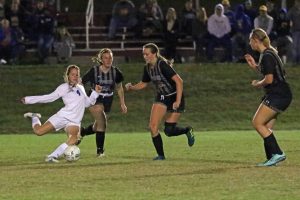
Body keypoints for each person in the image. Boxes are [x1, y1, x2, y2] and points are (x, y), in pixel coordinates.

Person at [125, 43, 195, 160]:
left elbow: (179, 82)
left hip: (174, 96)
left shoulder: (162, 65)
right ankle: (161, 155)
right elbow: (143, 83)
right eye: (144, 54)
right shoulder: (147, 68)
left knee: (169, 131)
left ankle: (187, 130)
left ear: (154, 54)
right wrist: (132, 87)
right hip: (162, 97)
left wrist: (177, 101)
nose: (145, 56)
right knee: (153, 127)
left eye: (147, 54)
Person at [21, 65, 102, 163]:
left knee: (74, 139)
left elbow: (86, 103)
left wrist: (95, 93)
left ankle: (52, 156)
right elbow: (48, 98)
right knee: (38, 132)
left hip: (74, 121)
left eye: (77, 75)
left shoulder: (80, 87)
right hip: (63, 116)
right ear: (68, 76)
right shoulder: (63, 87)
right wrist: (29, 100)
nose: (75, 77)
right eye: (73, 74)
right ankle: (35, 117)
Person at [244, 28, 292, 166]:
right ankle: (272, 157)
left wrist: (257, 84)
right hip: (282, 94)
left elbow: (269, 79)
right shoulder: (270, 53)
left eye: (250, 41)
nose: (250, 43)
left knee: (257, 123)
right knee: (266, 127)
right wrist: (255, 67)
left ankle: (278, 154)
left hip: (278, 94)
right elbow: (270, 71)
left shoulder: (267, 55)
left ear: (255, 40)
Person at [78, 48, 127, 157]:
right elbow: (80, 83)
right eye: (106, 58)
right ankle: (100, 151)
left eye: (110, 57)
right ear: (101, 59)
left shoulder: (116, 72)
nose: (109, 60)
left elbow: (119, 88)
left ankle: (83, 132)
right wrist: (83, 97)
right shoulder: (94, 71)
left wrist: (122, 103)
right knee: (102, 123)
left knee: (98, 125)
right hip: (94, 99)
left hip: (108, 99)